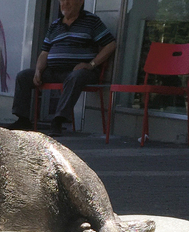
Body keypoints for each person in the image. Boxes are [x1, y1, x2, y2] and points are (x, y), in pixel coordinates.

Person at [7, 0, 116, 135]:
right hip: (54, 71)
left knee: (75, 76)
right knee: (24, 76)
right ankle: (23, 119)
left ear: (80, 2)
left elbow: (110, 44)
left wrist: (91, 64)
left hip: (82, 72)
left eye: (69, 1)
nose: (65, 4)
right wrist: (38, 71)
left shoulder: (91, 21)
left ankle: (58, 120)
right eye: (62, 1)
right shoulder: (55, 25)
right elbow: (45, 52)